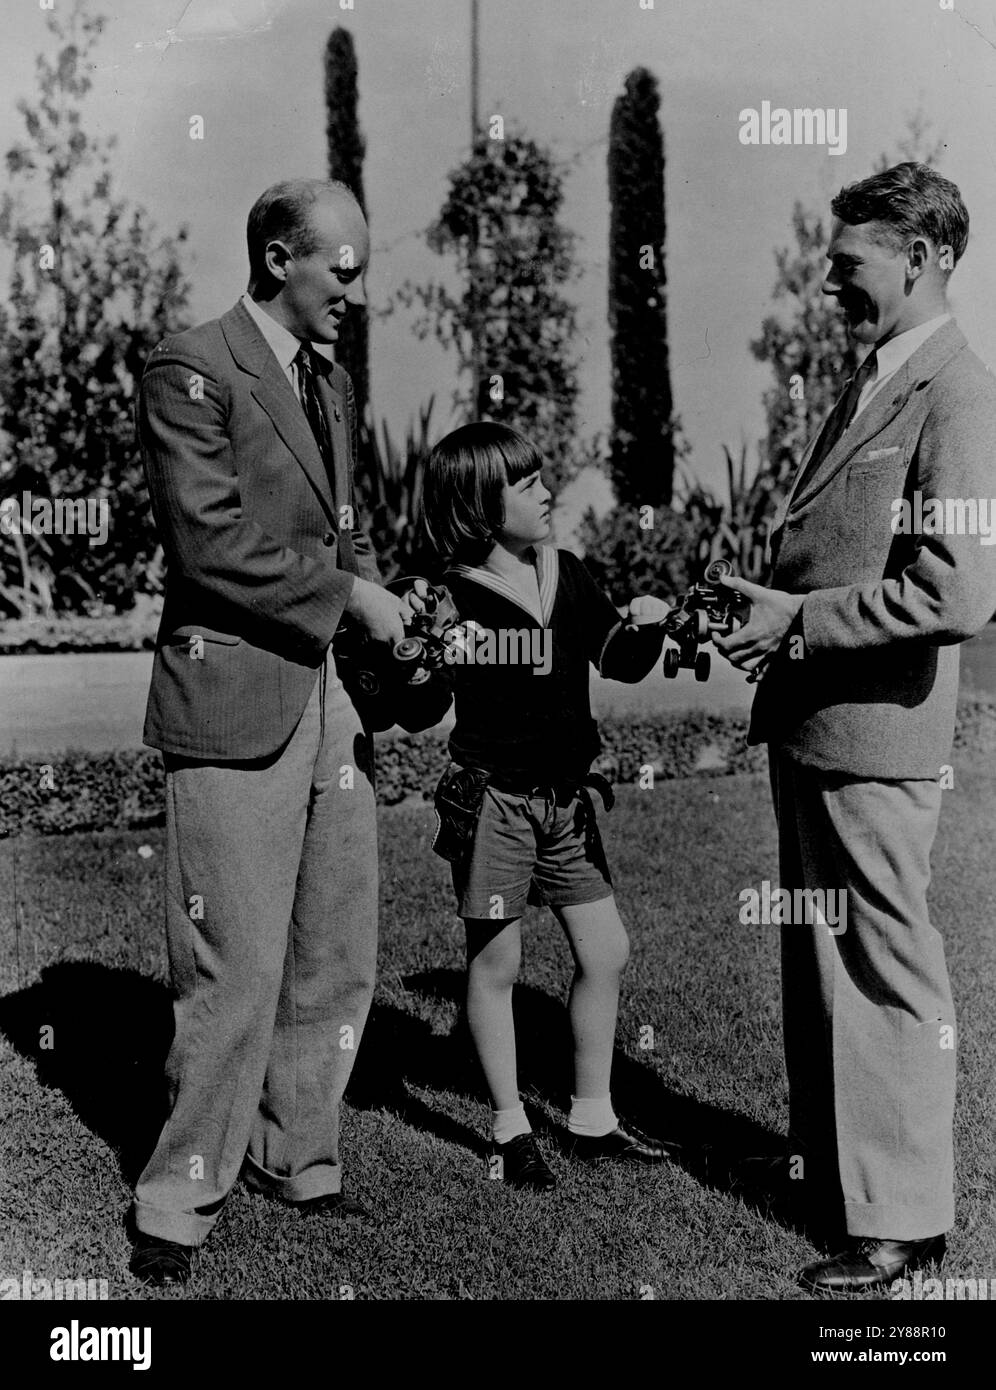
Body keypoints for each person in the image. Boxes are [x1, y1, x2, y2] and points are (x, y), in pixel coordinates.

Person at [715, 163, 996, 1291]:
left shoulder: (958, 394)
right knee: (825, 970)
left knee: (886, 972)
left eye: (850, 263)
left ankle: (904, 1225)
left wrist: (802, 621)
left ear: (921, 256)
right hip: (818, 728)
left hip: (878, 738)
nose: (828, 281)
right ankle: (845, 1182)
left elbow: (959, 590)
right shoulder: (880, 379)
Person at [129, 179, 415, 1286]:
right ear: (278, 256)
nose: (356, 288)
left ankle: (298, 1150)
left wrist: (378, 600)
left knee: (336, 948)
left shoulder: (328, 383)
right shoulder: (190, 366)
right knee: (232, 963)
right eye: (341, 267)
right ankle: (179, 1191)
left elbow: (329, 533)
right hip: (233, 695)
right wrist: (352, 595)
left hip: (328, 692)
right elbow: (208, 548)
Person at [419, 421, 675, 1190]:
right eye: (527, 484)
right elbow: (425, 691)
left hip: (567, 803)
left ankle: (592, 1117)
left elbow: (617, 660)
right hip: (494, 801)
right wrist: (418, 646)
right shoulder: (452, 597)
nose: (546, 492)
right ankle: (509, 1126)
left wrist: (648, 629)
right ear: (480, 506)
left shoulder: (567, 571)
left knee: (607, 951)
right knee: (497, 963)